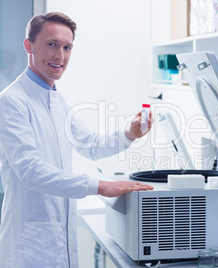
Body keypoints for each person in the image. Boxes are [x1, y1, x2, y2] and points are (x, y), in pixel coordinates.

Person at [0, 12, 154, 267]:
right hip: (29, 249)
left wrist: (129, 133)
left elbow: (90, 143)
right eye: (52, 44)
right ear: (29, 46)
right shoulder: (11, 101)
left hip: (60, 238)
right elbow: (31, 171)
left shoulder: (56, 98)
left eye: (66, 47)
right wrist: (100, 186)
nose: (60, 56)